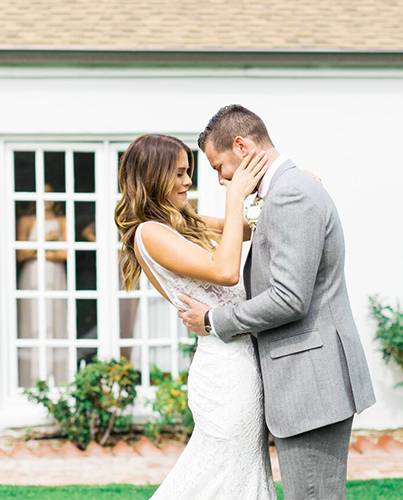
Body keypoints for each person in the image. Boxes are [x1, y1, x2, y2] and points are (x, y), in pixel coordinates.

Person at [177, 105, 376, 500]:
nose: (220, 180)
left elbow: (289, 299)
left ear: (242, 146)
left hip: (312, 383)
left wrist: (214, 320)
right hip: (308, 381)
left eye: (220, 167)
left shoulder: (291, 193)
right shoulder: (285, 190)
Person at [115, 133, 276, 499]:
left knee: (239, 473)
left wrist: (289, 191)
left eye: (188, 172)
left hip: (239, 361)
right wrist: (234, 196)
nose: (189, 181)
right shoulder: (150, 232)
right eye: (179, 173)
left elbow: (250, 228)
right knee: (222, 476)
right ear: (153, 176)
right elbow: (225, 271)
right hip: (225, 372)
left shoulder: (182, 222)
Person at [16, 184, 67, 385]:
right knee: (33, 322)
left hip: (56, 275)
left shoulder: (61, 221)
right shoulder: (27, 220)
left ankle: (58, 378)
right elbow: (21, 253)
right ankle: (32, 379)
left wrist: (36, 250)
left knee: (56, 320)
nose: (47, 198)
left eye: (50, 194)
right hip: (32, 275)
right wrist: (44, 240)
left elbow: (64, 254)